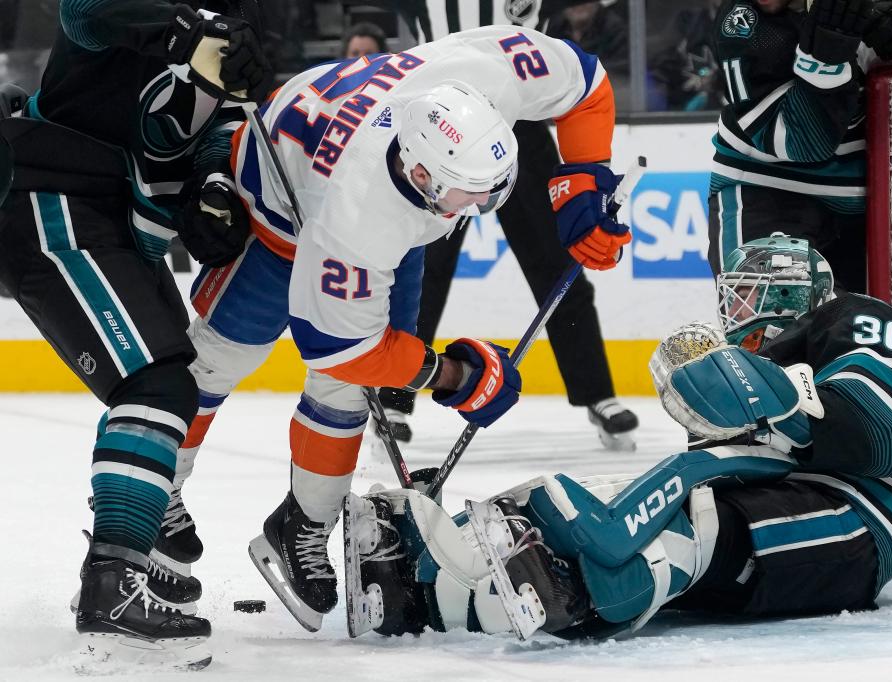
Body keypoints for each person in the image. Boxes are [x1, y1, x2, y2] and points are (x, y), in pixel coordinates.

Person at [173, 25, 631, 631]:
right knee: (217, 362)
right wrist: (452, 375)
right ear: (420, 175)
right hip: (276, 212)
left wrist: (583, 181)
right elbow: (342, 350)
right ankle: (157, 488)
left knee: (344, 398)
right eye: (463, 196)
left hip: (370, 183)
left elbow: (588, 83)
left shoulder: (488, 71)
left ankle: (303, 524)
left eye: (485, 192)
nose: (473, 209)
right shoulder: (357, 219)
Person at [343, 233, 892, 640]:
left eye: (748, 292)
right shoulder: (749, 365)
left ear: (790, 293)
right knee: (604, 501)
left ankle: (590, 588)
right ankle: (431, 584)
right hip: (778, 524)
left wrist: (774, 400)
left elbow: (884, 435)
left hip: (865, 517)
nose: (734, 307)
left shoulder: (850, 316)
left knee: (692, 520)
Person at [0, 0, 270, 669]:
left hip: (115, 214)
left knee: (170, 378)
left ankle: (136, 541)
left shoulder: (245, 19)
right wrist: (181, 30)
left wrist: (212, 184)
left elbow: (221, 122)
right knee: (156, 383)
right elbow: (85, 13)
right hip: (52, 193)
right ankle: (114, 580)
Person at [705, 0, 892, 514]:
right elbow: (803, 143)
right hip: (768, 190)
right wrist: (826, 54)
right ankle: (768, 483)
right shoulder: (744, 25)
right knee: (771, 336)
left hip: (865, 199)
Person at [363, 0, 639, 451]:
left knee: (556, 261)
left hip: (521, 121)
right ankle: (394, 394)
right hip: (442, 123)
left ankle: (598, 393)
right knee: (423, 268)